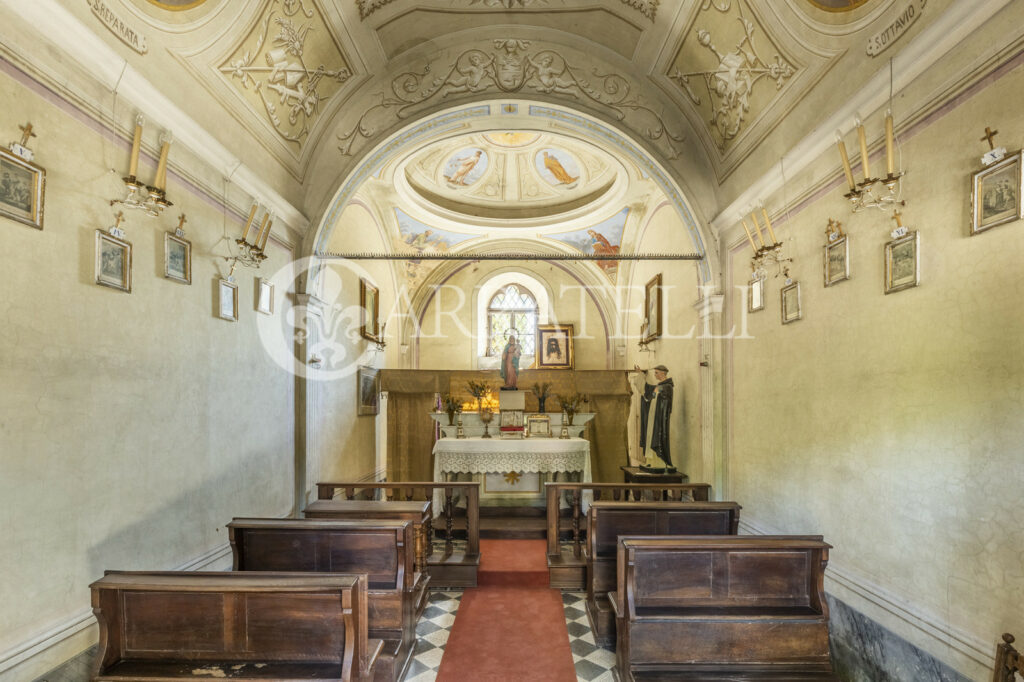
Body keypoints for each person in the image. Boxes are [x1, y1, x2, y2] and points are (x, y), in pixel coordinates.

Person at [635, 364, 675, 472]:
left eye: (656, 373)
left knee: (657, 438)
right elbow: (647, 391)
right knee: (650, 436)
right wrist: (640, 374)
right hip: (653, 417)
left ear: (663, 373)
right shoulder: (659, 386)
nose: (655, 375)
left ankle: (661, 462)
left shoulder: (667, 387)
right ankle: (652, 462)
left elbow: (666, 403)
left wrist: (659, 395)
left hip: (659, 419)